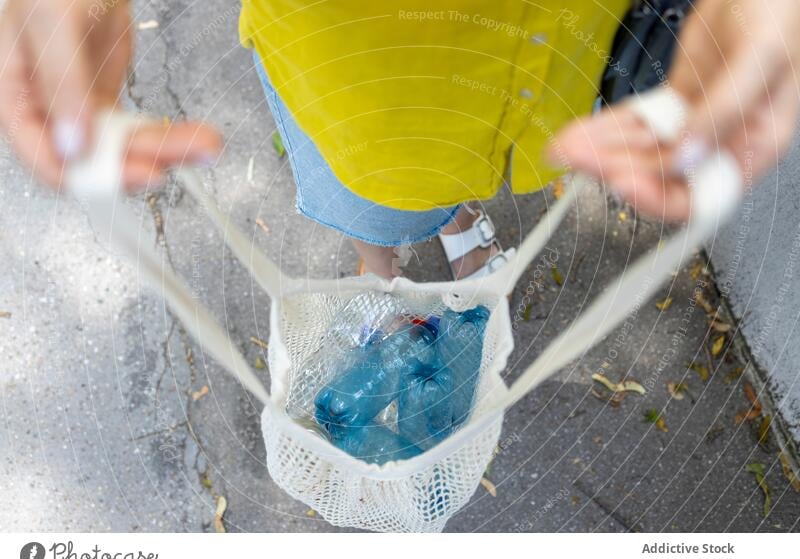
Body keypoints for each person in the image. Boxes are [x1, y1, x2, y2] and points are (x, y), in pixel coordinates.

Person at [1, 0, 798, 279]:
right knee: (377, 197)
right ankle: (376, 271)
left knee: (451, 173)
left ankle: (450, 222)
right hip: (359, 86)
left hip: (543, 62)